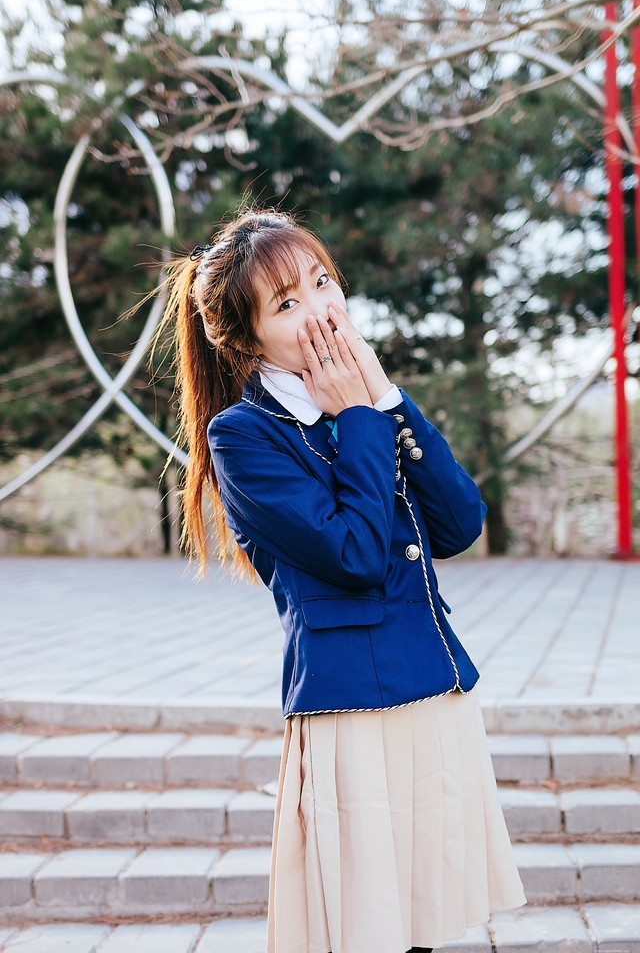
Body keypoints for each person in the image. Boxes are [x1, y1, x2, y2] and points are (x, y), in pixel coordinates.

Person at [159, 208, 526, 953]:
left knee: (424, 916)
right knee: (366, 928)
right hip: (351, 707)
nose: (320, 311)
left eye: (323, 283)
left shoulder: (365, 404)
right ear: (247, 337)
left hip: (433, 687)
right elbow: (355, 555)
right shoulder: (244, 437)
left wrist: (388, 398)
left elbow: (459, 525)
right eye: (287, 303)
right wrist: (359, 415)